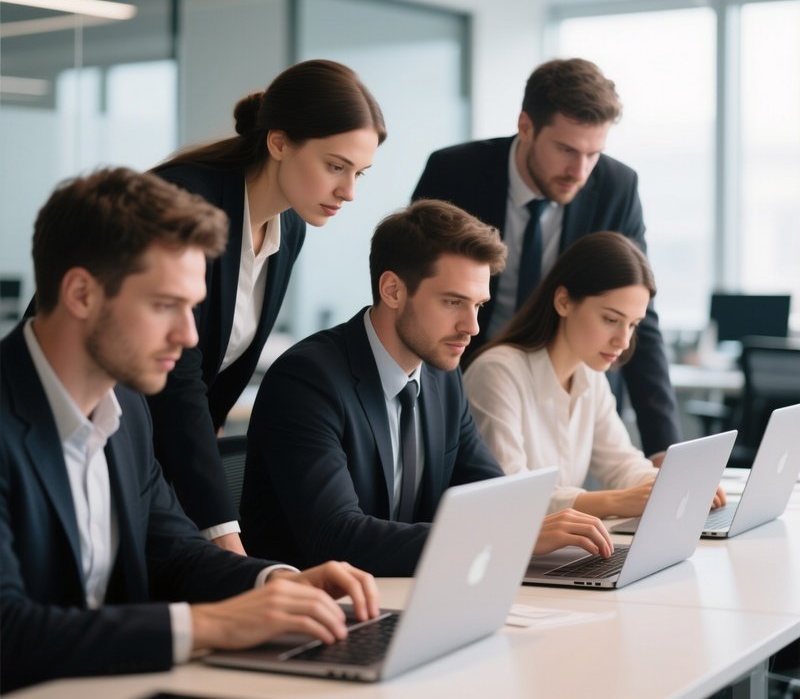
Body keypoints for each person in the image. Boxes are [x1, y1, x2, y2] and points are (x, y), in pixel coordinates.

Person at [0, 168, 379, 692]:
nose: (189, 336)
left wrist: (275, 583)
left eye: (193, 306)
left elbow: (173, 551)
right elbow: (9, 631)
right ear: (82, 294)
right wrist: (213, 625)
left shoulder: (125, 409)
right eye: (165, 306)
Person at [241, 200, 614, 577]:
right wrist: (510, 537)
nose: (472, 327)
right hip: (318, 612)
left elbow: (492, 496)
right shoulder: (307, 380)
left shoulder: (440, 376)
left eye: (478, 305)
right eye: (453, 302)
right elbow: (336, 537)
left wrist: (532, 527)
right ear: (393, 290)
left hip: (407, 595)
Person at [149, 59, 387, 555]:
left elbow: (214, 380)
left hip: (162, 466)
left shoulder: (289, 225)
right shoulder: (182, 202)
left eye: (359, 172)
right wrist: (224, 537)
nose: (349, 191)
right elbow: (179, 382)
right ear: (278, 143)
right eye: (335, 166)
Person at [412, 58, 679, 465]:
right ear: (526, 126)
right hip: (467, 380)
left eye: (594, 153)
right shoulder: (455, 173)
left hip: (566, 383)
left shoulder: (616, 187)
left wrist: (665, 448)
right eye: (566, 149)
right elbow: (415, 288)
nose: (580, 170)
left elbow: (637, 308)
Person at [464, 233, 726, 518]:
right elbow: (510, 493)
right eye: (611, 320)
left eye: (633, 325)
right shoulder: (497, 373)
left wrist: (676, 486)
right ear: (563, 301)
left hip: (562, 550)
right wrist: (616, 502)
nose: (623, 341)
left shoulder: (589, 374)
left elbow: (621, 464)